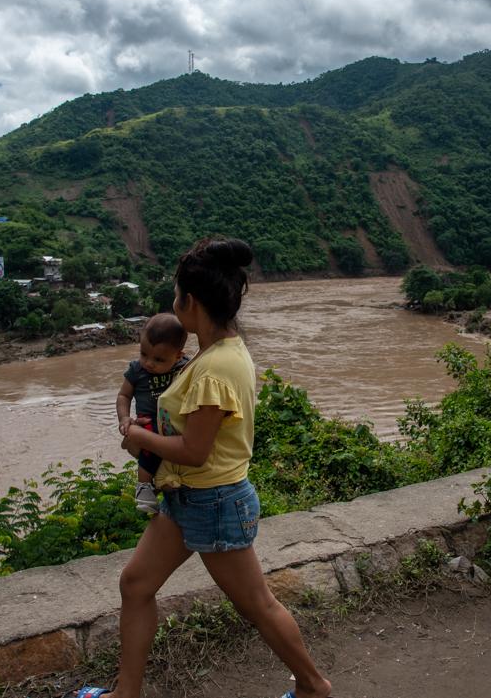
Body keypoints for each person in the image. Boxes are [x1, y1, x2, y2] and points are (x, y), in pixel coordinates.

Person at [102, 238, 332, 698]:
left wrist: (139, 437)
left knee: (258, 605)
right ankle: (125, 694)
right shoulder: (218, 353)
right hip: (186, 497)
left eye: (175, 294)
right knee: (135, 584)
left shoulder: (213, 369)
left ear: (190, 301)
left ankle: (313, 686)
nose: (172, 302)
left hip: (213, 501)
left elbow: (194, 451)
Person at [115, 313, 190, 515]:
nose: (148, 362)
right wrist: (124, 418)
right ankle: (144, 488)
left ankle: (166, 483)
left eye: (158, 359)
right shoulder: (136, 370)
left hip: (175, 425)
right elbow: (123, 395)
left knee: (175, 454)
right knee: (148, 455)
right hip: (148, 423)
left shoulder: (185, 367)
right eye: (144, 354)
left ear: (178, 355)